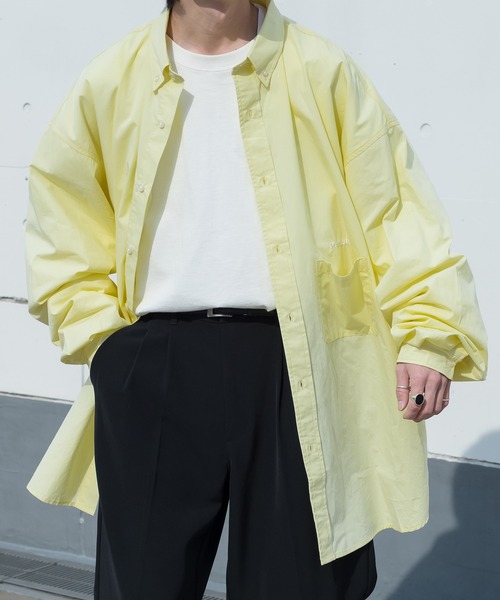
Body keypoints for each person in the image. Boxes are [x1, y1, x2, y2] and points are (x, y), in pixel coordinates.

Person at [25, 0, 487, 598]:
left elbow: (396, 210)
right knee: (142, 585)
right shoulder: (112, 78)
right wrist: (106, 346)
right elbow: (62, 217)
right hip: (153, 363)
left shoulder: (319, 68)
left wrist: (429, 334)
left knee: (301, 586)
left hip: (300, 367)